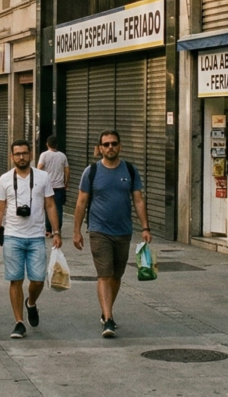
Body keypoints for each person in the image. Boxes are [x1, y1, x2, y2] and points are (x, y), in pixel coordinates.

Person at [71, 129, 151, 339]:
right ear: (100, 148)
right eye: (106, 144)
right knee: (104, 274)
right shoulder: (91, 172)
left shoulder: (130, 170)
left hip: (123, 231)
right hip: (99, 230)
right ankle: (108, 318)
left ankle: (106, 310)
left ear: (120, 146)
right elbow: (81, 202)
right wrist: (76, 231)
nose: (110, 147)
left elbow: (138, 200)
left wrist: (145, 227)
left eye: (114, 143)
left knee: (116, 275)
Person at [0, 139, 61, 339]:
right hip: (12, 235)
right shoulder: (5, 179)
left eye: (24, 153)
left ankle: (30, 303)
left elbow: (50, 205)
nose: (21, 157)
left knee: (38, 279)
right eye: (17, 154)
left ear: (30, 155)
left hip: (36, 236)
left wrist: (56, 231)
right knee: (15, 279)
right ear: (12, 156)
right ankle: (19, 322)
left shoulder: (43, 176)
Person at [37, 135, 70, 231]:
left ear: (47, 144)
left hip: (47, 187)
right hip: (60, 186)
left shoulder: (44, 155)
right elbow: (67, 171)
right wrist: (66, 183)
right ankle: (57, 229)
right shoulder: (62, 156)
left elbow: (39, 168)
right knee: (58, 208)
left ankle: (48, 230)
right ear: (57, 145)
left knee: (48, 207)